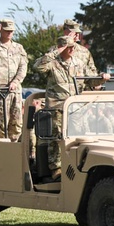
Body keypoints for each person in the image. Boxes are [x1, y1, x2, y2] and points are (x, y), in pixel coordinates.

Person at [32, 35, 87, 178]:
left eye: (73, 46)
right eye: (68, 47)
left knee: (78, 135)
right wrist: (55, 52)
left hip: (74, 107)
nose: (71, 49)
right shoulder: (52, 63)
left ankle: (76, 166)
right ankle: (56, 168)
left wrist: (100, 79)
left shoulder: (78, 63)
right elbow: (37, 67)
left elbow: (88, 79)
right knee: (57, 137)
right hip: (56, 106)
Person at [0, 19, 28, 140]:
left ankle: (14, 149)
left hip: (15, 91)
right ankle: (3, 150)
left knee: (17, 123)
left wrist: (16, 81)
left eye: (11, 31)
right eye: (7, 31)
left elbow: (23, 67)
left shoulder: (18, 47)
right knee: (2, 124)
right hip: (0, 91)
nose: (9, 33)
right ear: (1, 30)